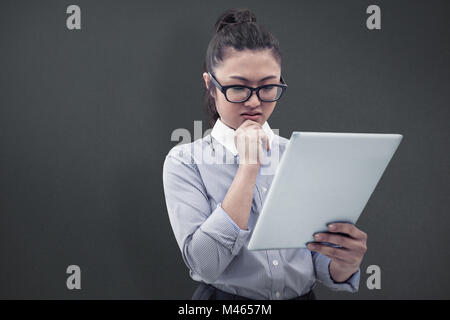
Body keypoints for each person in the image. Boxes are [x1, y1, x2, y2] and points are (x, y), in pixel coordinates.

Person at [162, 8, 367, 300]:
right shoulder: (185, 162)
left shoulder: (300, 155)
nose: (255, 102)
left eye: (268, 87)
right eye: (238, 88)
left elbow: (318, 262)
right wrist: (249, 166)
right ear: (211, 86)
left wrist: (344, 262)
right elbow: (205, 264)